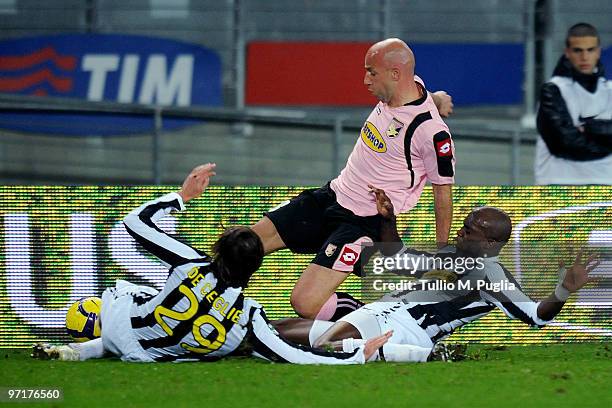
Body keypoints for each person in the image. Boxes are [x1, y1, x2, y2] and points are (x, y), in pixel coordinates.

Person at [33, 164, 390, 364]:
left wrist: (182, 195)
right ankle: (360, 321)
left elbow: (135, 223)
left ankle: (75, 350)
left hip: (129, 334)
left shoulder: (190, 264)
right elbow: (293, 356)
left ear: (217, 249)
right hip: (171, 348)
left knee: (130, 304)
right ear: (255, 270)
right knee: (270, 334)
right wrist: (356, 356)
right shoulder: (248, 314)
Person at [252, 38, 456, 322]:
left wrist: (443, 251)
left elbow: (443, 193)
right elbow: (419, 95)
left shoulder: (432, 133)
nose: (365, 80)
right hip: (333, 195)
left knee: (305, 304)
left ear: (395, 75)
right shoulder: (408, 87)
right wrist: (437, 98)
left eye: (372, 72)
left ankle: (383, 319)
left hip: (364, 220)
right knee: (246, 243)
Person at [273, 187, 599, 362]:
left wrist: (563, 291)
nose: (459, 234)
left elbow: (535, 317)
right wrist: (388, 220)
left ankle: (409, 354)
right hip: (381, 310)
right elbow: (394, 258)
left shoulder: (491, 275)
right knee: (279, 330)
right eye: (462, 227)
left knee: (327, 344)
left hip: (408, 329)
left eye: (468, 231)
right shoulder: (450, 256)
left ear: (491, 243)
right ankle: (245, 340)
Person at [535, 22, 612, 185]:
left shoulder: (609, 89)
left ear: (598, 52)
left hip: (605, 184)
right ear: (567, 52)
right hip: (558, 184)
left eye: (590, 50)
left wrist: (588, 129)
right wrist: (606, 140)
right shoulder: (553, 89)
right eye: (578, 50)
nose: (585, 57)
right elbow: (563, 144)